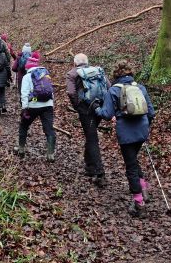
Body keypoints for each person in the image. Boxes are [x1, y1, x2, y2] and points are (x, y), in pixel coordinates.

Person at [94, 59, 155, 218]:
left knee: (131, 167)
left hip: (126, 133)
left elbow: (106, 115)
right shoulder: (140, 87)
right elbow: (151, 113)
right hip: (142, 131)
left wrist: (96, 108)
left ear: (115, 74)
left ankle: (139, 203)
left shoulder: (113, 90)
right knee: (134, 160)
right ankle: (144, 189)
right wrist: (145, 126)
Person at [66, 53, 108, 188]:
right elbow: (109, 86)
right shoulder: (97, 71)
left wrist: (77, 105)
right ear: (87, 62)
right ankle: (89, 166)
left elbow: (71, 92)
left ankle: (99, 172)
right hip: (99, 109)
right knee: (91, 135)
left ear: (75, 63)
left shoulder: (73, 74)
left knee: (92, 138)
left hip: (87, 111)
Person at [17, 52, 56, 161]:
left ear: (27, 66)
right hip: (48, 105)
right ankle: (50, 153)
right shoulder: (45, 73)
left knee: (24, 125)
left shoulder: (27, 76)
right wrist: (51, 103)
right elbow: (50, 91)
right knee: (49, 129)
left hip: (32, 105)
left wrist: (24, 108)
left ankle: (21, 149)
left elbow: (24, 93)